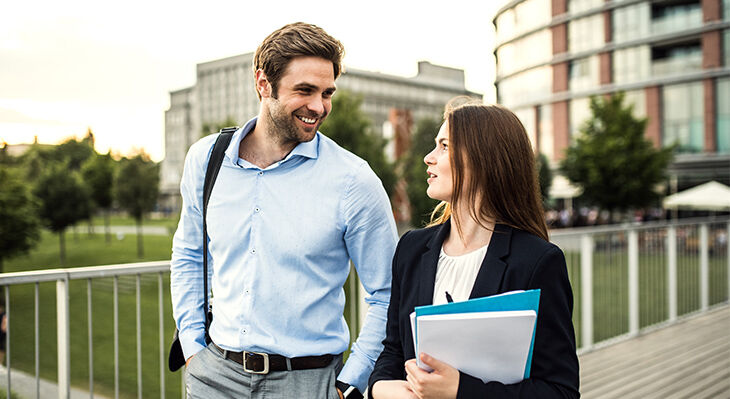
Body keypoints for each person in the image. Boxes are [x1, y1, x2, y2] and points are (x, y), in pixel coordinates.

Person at [171, 22, 398, 399]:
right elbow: (189, 254)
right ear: (263, 84)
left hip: (308, 384)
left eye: (327, 93)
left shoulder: (354, 180)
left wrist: (350, 381)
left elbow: (387, 293)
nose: (319, 106)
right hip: (214, 376)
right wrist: (194, 348)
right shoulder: (205, 159)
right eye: (305, 90)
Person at [368, 99, 580, 398]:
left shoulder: (537, 261)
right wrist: (380, 388)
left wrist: (459, 391)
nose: (429, 158)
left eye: (444, 146)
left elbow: (560, 391)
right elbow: (391, 352)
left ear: (482, 158)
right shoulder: (412, 249)